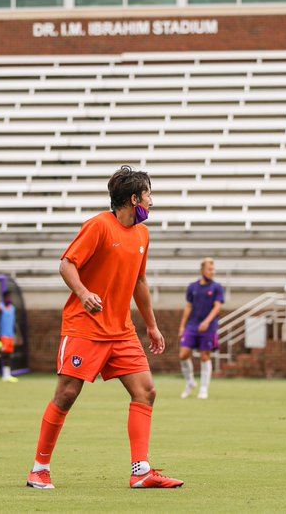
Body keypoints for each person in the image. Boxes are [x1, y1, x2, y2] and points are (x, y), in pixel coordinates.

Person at [26, 166, 182, 490]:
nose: (152, 201)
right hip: (85, 327)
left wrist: (151, 326)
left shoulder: (142, 234)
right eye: (149, 194)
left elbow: (139, 281)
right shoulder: (99, 226)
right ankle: (39, 470)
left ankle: (141, 471)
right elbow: (67, 264)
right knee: (67, 394)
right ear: (134, 198)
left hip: (122, 330)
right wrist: (83, 294)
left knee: (146, 391)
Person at [177, 257, 225, 400]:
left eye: (213, 269)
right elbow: (189, 307)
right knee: (183, 355)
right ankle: (190, 382)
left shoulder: (217, 287)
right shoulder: (193, 287)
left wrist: (206, 322)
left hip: (208, 328)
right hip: (192, 325)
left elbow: (218, 306)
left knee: (205, 357)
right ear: (203, 270)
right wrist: (182, 326)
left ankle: (204, 388)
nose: (212, 272)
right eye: (210, 269)